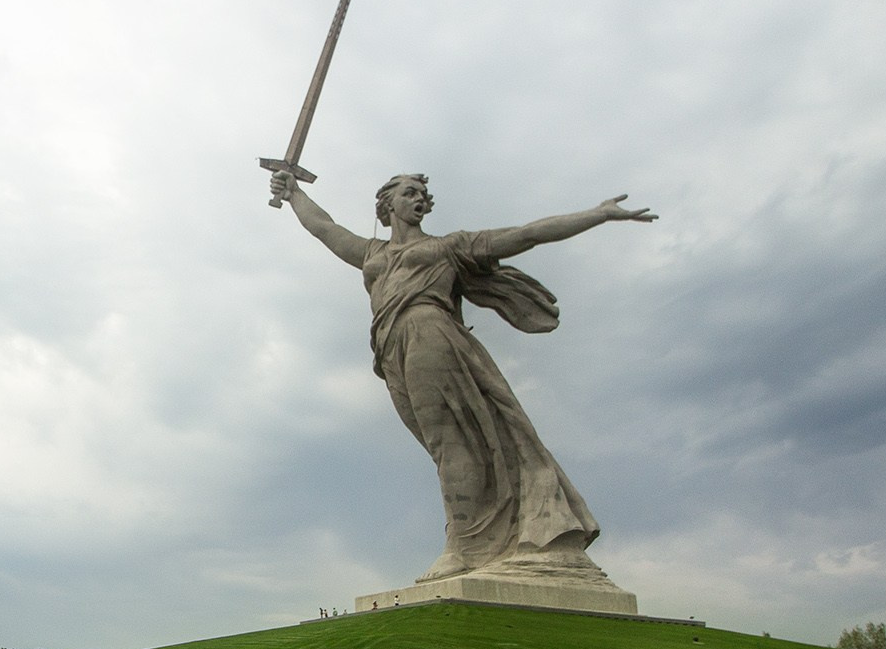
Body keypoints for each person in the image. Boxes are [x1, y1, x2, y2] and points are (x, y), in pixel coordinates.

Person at [269, 169, 654, 580]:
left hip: (429, 333)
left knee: (449, 442)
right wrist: (293, 194)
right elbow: (324, 228)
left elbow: (527, 234)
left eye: (422, 195)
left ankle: (462, 547)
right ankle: (478, 539)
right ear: (387, 205)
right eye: (410, 193)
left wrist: (598, 214)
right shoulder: (372, 254)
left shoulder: (449, 247)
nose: (419, 199)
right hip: (389, 350)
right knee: (442, 448)